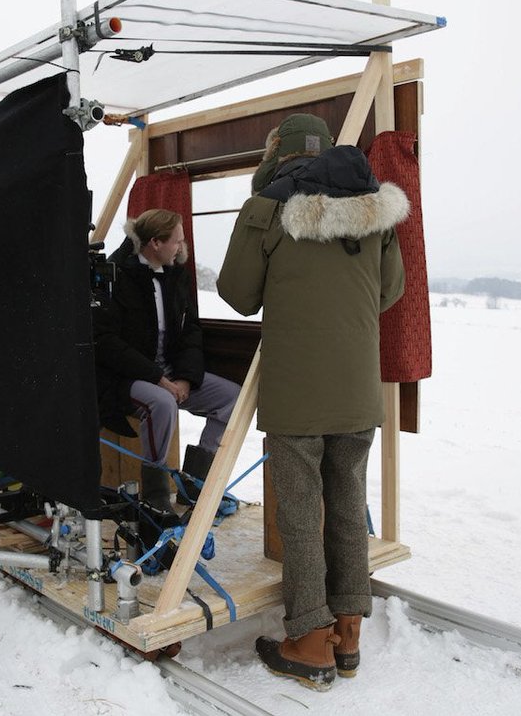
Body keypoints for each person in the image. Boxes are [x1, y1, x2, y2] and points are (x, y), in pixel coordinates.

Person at [217, 114, 408, 690]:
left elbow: (236, 293)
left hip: (298, 391)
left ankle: (307, 642)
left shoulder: (269, 207)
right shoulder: (376, 209)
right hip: (357, 389)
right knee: (349, 508)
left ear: (277, 153)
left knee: (302, 517)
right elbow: (390, 292)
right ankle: (347, 633)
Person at [93, 208, 240, 514]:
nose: (181, 247)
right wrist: (158, 378)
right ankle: (156, 495)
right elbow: (107, 343)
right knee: (162, 403)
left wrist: (185, 378)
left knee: (231, 399)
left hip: (171, 374)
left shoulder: (175, 276)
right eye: (177, 241)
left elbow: (190, 332)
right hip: (124, 378)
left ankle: (194, 484)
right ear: (156, 243)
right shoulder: (115, 275)